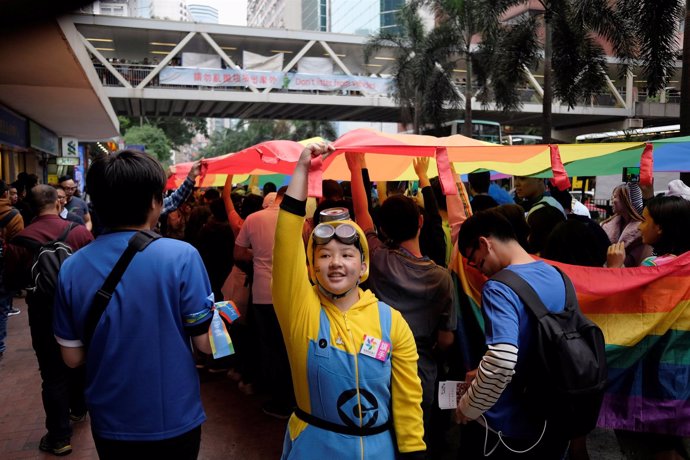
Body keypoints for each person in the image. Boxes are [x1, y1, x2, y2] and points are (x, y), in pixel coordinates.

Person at [51, 150, 215, 459]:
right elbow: (205, 345)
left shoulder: (72, 268)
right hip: (174, 415)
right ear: (155, 202)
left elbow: (72, 358)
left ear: (95, 202)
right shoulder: (182, 256)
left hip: (110, 416)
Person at [272, 143, 426, 459]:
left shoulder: (391, 321)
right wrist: (302, 169)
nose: (336, 263)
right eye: (324, 255)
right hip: (315, 449)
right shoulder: (301, 310)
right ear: (312, 266)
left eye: (347, 254)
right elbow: (286, 242)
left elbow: (408, 396)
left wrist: (413, 449)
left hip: (379, 450)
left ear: (364, 265)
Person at [347, 152, 455, 448]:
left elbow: (361, 214)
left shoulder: (377, 259)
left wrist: (356, 167)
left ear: (382, 230)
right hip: (421, 368)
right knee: (417, 437)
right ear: (420, 222)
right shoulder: (442, 278)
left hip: (376, 361)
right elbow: (446, 340)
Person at [456, 210, 569, 459]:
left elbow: (503, 359)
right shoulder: (558, 276)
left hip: (508, 427)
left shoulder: (499, 288)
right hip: (553, 418)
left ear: (484, 243)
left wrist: (469, 407)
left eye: (477, 262)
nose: (481, 272)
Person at [4, 185, 93, 456]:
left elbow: (12, 283)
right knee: (78, 361)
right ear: (58, 203)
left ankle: (59, 437)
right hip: (77, 312)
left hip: (42, 314)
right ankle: (78, 409)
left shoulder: (19, 241)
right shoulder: (78, 232)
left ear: (30, 207)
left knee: (52, 374)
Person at [234, 185, 295, 418]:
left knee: (269, 347)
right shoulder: (300, 220)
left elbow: (238, 254)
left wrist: (258, 255)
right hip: (292, 294)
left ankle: (278, 399)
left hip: (262, 293)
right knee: (289, 346)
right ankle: (293, 398)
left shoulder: (253, 219)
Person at [0, 179, 24, 360]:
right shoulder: (12, 215)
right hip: (3, 264)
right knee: (1, 306)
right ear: (5, 194)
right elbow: (18, 245)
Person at [602, 183, 653, 267]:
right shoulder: (607, 225)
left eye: (615, 197)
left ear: (626, 200)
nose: (612, 200)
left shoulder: (642, 231)